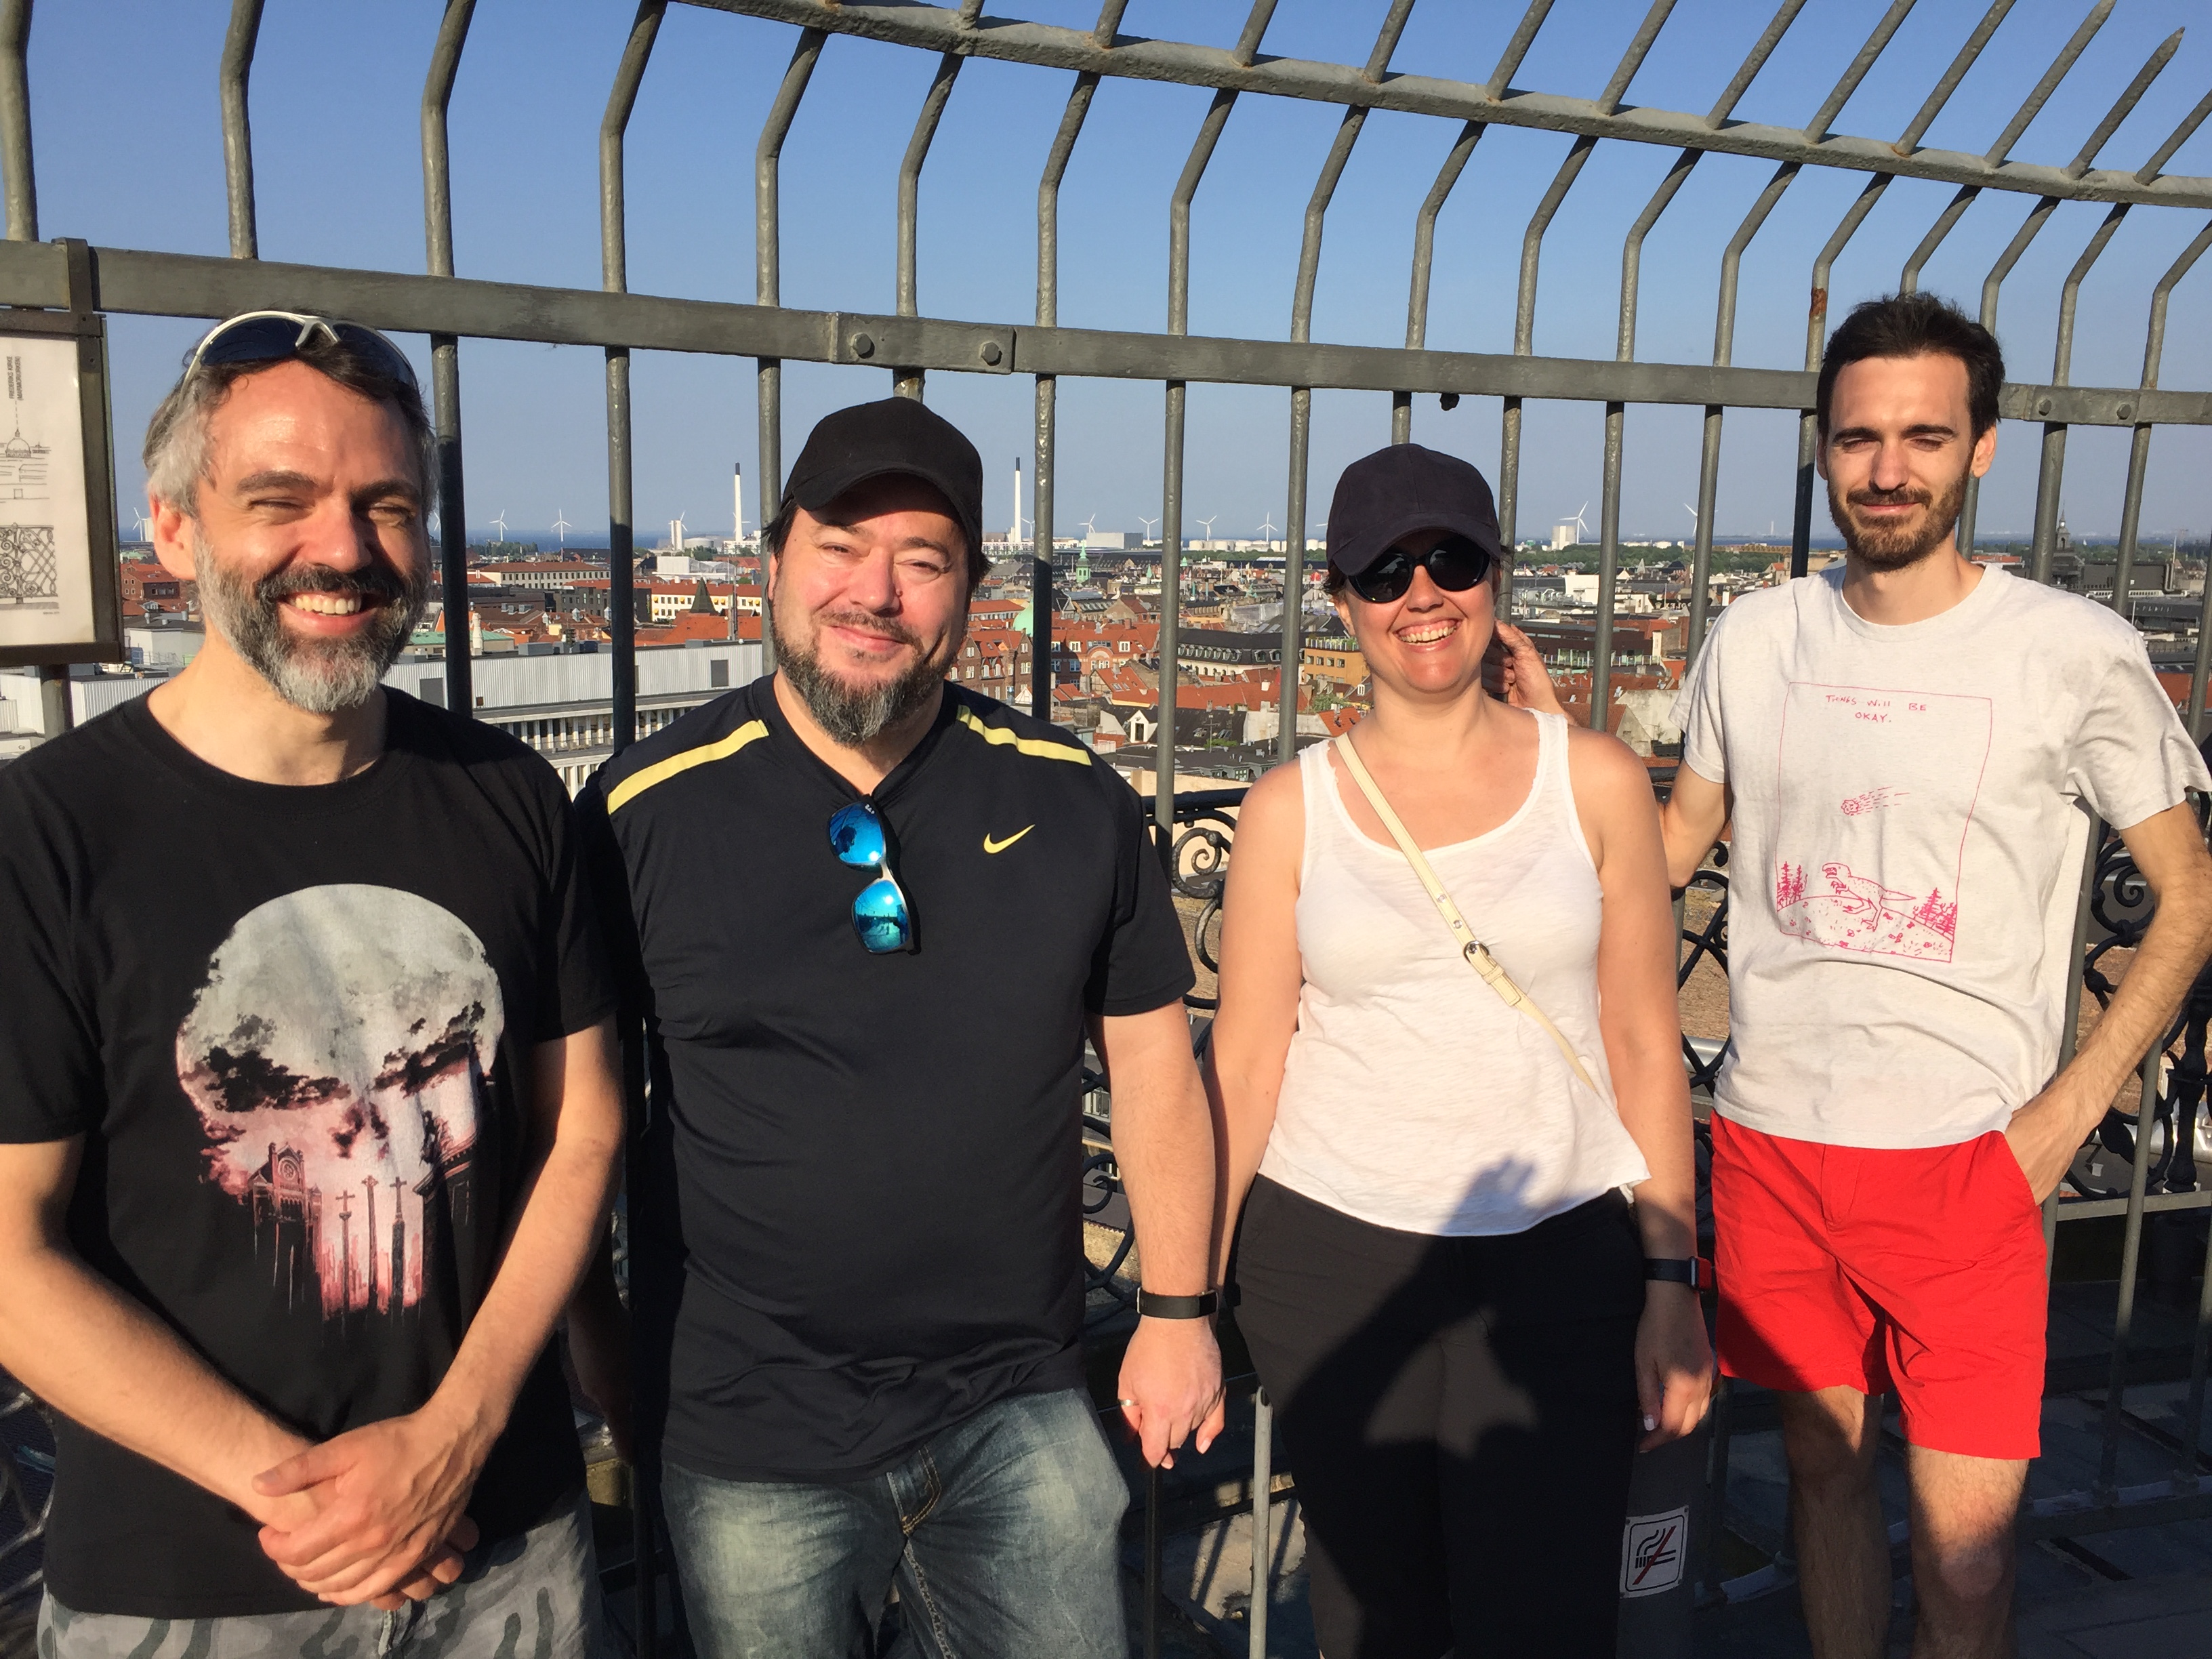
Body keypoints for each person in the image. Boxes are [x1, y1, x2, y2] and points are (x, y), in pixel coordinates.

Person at [1497, 291, 2212, 1658]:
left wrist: (2066, 1116)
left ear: (1981, 449)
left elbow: (2190, 894)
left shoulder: (2073, 651)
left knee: (1967, 1564)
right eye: (1859, 438)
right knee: (1821, 1482)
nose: (1887, 469)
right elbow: (1671, 852)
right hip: (1773, 1143)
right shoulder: (1756, 638)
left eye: (1924, 438)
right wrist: (1556, 751)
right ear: (1823, 448)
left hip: (1970, 1161)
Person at [0, 312, 626, 1658]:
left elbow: (580, 1129)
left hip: (501, 1529)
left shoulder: (510, 799)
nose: (341, 549)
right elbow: (8, 1249)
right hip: (185, 1578)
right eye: (278, 502)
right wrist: (307, 1498)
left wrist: (452, 1441)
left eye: (386, 505)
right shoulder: (44, 836)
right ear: (174, 529)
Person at [577, 397, 1223, 1659]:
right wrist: (596, 1337)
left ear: (971, 590)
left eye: (921, 561)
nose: (874, 593)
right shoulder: (639, 815)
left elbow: (1154, 1067)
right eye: (839, 547)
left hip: (1018, 1402)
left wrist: (1178, 1311)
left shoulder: (1074, 801)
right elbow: (574, 1115)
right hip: (749, 1425)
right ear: (774, 562)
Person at [1206, 442, 1713, 1659]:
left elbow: (1645, 1040)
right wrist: (1185, 1301)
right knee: (1371, 1622)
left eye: (1452, 560)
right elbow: (1246, 1065)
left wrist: (1671, 1282)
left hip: (1559, 1257)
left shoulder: (1595, 779)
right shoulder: (1288, 807)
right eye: (1385, 572)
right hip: (1330, 1255)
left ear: (1496, 577)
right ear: (1340, 601)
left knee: (1543, 1621)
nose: (1421, 594)